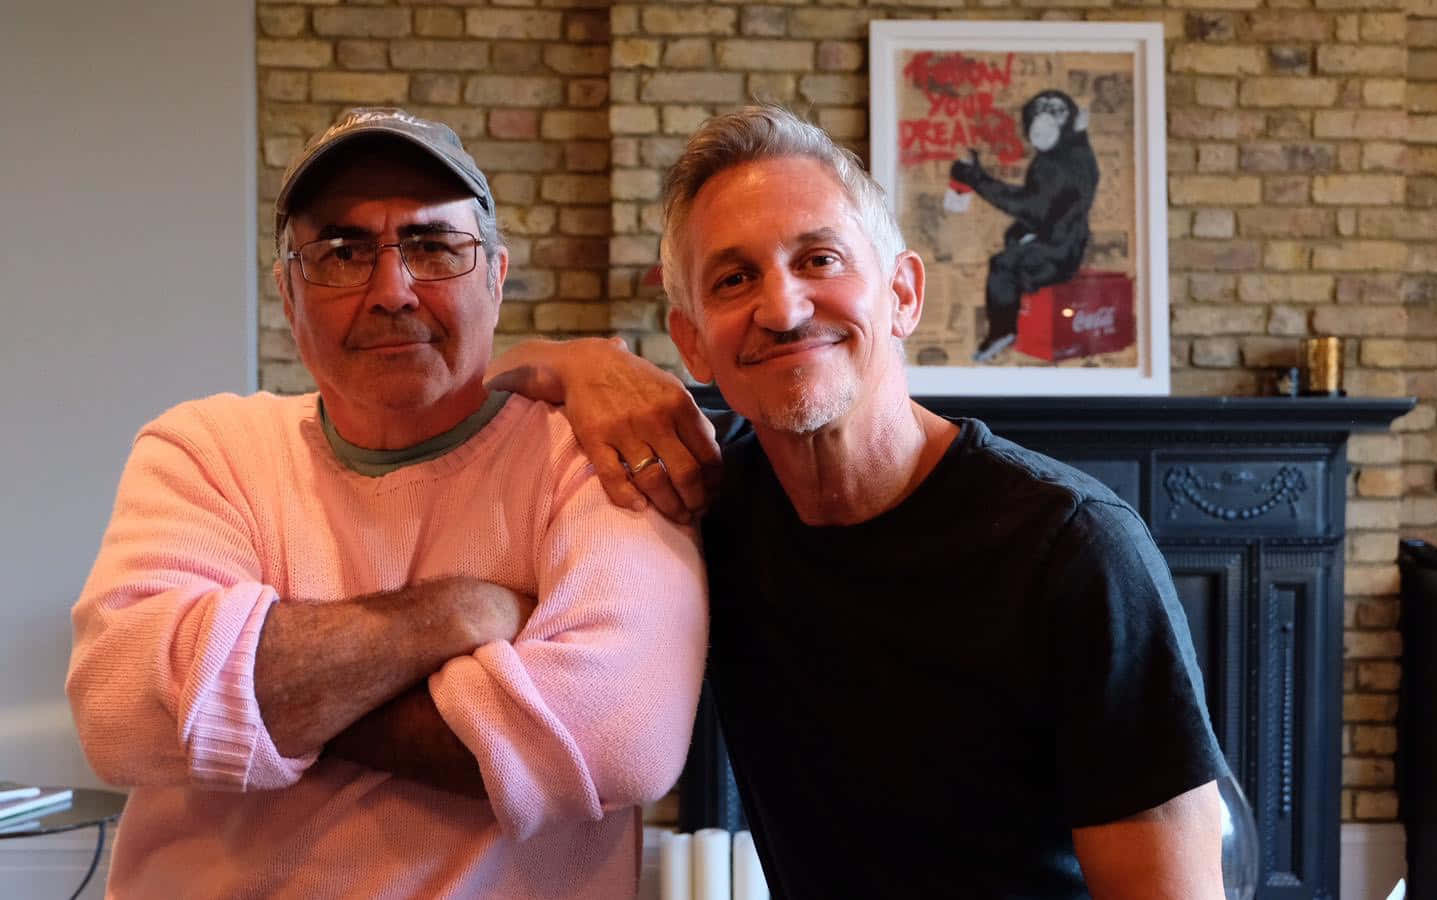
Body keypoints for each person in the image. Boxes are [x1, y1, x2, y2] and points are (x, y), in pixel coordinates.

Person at [491, 106, 1227, 898]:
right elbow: (458, 409)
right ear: (692, 340)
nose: (783, 309)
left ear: (903, 293)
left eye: (819, 259)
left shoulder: (1076, 550)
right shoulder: (705, 506)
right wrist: (573, 360)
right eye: (734, 279)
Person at [66, 108, 708, 898]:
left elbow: (616, 738)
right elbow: (121, 706)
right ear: (289, 294)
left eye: (433, 247)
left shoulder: (591, 452)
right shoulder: (205, 448)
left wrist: (256, 698)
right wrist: (456, 614)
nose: (393, 292)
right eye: (342, 253)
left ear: (495, 277)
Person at [949, 89, 1099, 362]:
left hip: (1059, 251)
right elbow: (1046, 208)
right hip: (1060, 239)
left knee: (1002, 266)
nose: (1045, 119)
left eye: (1056, 111)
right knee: (1012, 240)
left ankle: (1002, 331)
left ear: (1070, 120)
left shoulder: (1064, 161)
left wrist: (976, 178)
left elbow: (1030, 207)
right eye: (1041, 110)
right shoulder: (1065, 153)